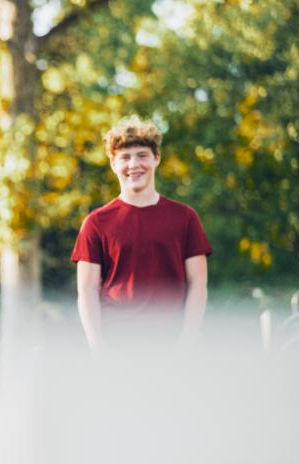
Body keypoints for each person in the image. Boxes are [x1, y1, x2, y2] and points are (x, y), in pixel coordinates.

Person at [72, 116, 212, 356]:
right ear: (113, 164)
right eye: (125, 157)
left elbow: (198, 283)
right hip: (117, 345)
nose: (134, 164)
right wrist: (97, 346)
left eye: (142, 155)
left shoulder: (185, 218)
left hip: (172, 345)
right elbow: (86, 290)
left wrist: (187, 342)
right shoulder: (95, 223)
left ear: (156, 158)